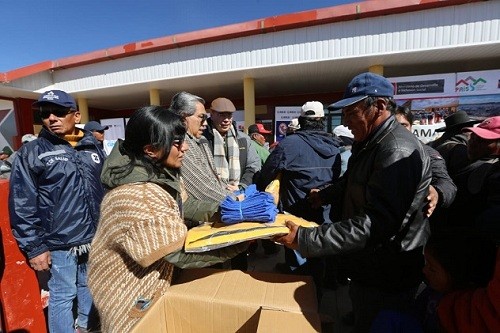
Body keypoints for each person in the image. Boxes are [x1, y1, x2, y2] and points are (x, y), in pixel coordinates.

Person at [275, 72, 432, 333]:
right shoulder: (370, 142)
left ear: (380, 106)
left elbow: (377, 223)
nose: (346, 123)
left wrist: (307, 239)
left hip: (387, 272)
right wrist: (323, 195)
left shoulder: (395, 150)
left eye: (351, 113)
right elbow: (351, 182)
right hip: (368, 265)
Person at [88, 106, 247, 332]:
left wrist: (227, 212)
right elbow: (177, 253)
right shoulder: (136, 195)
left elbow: (185, 204)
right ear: (151, 150)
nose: (185, 148)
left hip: (153, 288)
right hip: (130, 298)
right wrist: (240, 241)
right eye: (176, 143)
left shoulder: (160, 173)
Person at [9, 89, 106, 333]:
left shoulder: (91, 145)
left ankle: (86, 327)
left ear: (76, 114)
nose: (52, 118)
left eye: (59, 112)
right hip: (60, 242)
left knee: (89, 286)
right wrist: (34, 247)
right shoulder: (32, 153)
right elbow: (22, 203)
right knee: (63, 295)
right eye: (45, 113)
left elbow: (104, 187)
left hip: (94, 237)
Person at [256, 101, 342, 292]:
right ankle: (317, 303)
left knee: (298, 268)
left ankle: (302, 309)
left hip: (295, 218)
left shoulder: (290, 144)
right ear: (322, 120)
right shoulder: (335, 147)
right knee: (318, 262)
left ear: (302, 121)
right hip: (324, 217)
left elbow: (266, 174)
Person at [168, 91, 230, 226]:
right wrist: (237, 201)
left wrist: (228, 188)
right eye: (201, 117)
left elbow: (212, 178)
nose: (205, 123)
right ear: (184, 118)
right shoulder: (180, 144)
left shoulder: (200, 140)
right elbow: (203, 189)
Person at [394, 106, 457, 224]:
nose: (399, 131)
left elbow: (447, 184)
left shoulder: (426, 153)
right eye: (394, 125)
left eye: (403, 125)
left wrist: (437, 192)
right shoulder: (373, 151)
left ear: (411, 127)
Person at [441, 116, 500, 231]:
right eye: (473, 136)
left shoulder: (493, 172)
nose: (472, 142)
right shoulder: (462, 158)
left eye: (482, 140)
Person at [203, 97, 261, 192]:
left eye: (229, 115)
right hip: (210, 193)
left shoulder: (243, 139)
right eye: (221, 115)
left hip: (239, 194)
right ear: (212, 114)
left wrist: (242, 186)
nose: (226, 120)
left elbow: (253, 165)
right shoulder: (202, 138)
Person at [428, 111, 480, 176]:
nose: (472, 133)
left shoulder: (432, 144)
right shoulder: (460, 149)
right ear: (465, 130)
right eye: (471, 129)